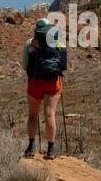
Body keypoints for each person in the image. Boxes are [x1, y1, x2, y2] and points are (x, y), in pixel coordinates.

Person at [21, 18, 67, 160]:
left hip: (35, 83)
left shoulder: (30, 42)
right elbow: (63, 65)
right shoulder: (59, 42)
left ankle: (31, 147)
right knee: (50, 115)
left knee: (33, 115)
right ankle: (51, 150)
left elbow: (24, 65)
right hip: (53, 82)